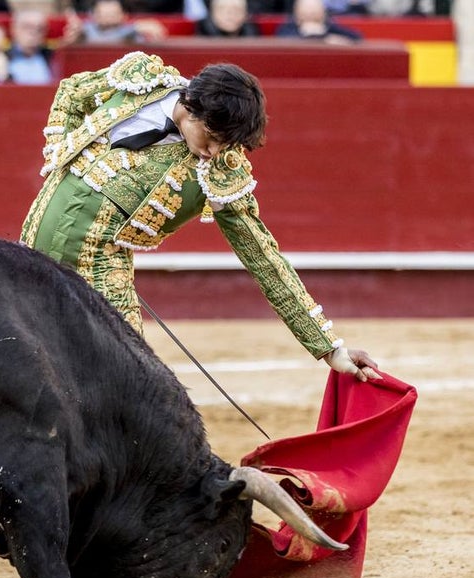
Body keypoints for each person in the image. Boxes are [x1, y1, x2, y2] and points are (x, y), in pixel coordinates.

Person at [21, 51, 379, 382]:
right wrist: (60, 158)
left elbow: (262, 257)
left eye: (225, 144)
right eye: (212, 137)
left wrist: (329, 348)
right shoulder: (141, 82)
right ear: (191, 108)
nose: (214, 152)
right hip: (27, 251)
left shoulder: (219, 172)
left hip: (100, 278)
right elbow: (71, 91)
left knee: (125, 384)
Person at [62, 0, 167, 45]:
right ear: (93, 15)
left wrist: (145, 28)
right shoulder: (84, 30)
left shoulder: (133, 29)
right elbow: (68, 42)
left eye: (112, 15)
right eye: (103, 15)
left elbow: (157, 31)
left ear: (124, 15)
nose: (108, 20)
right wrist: (75, 36)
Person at [275, 0, 363, 43]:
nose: (310, 14)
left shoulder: (329, 26)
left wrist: (326, 35)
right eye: (306, 11)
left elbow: (357, 37)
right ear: (297, 13)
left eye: (314, 11)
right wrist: (310, 35)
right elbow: (282, 40)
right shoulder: (288, 27)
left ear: (323, 13)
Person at [5, 8, 53, 85]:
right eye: (27, 26)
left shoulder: (53, 57)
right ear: (14, 29)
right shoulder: (2, 57)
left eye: (39, 28)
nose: (33, 32)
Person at [195, 0, 260, 37]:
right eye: (223, 10)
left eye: (236, 10)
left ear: (246, 14)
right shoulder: (201, 34)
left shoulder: (253, 36)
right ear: (213, 13)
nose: (230, 15)